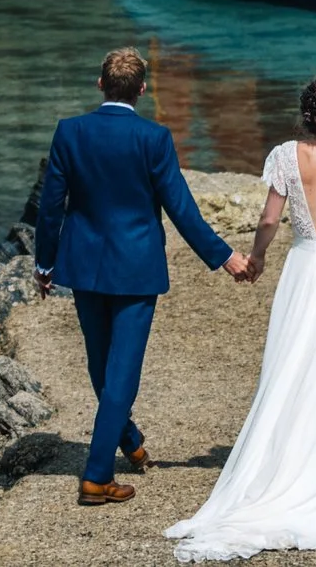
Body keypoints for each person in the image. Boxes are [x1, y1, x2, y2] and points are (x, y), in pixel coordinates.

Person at [164, 75, 316, 561]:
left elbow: (269, 219)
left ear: (306, 114)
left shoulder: (285, 156)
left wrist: (256, 258)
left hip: (302, 270)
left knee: (294, 364)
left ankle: (286, 459)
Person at [34, 47, 252, 508]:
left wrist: (44, 264)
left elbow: (51, 205)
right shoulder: (154, 137)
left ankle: (128, 437)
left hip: (85, 266)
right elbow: (181, 208)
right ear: (143, 90)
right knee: (121, 372)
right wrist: (225, 256)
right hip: (135, 269)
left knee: (101, 365)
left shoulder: (70, 131)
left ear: (100, 84)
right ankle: (96, 476)